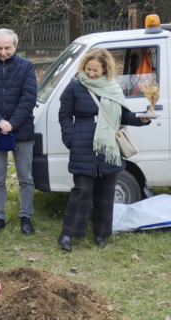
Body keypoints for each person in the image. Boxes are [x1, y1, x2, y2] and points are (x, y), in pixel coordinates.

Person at [57, 48, 151, 251]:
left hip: (109, 147)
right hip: (83, 145)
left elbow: (123, 117)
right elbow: (64, 115)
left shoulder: (113, 88)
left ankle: (101, 233)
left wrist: (141, 118)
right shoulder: (75, 87)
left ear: (105, 69)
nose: (91, 74)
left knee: (106, 191)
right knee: (81, 190)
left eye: (95, 70)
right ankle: (68, 234)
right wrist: (70, 139)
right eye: (88, 69)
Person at [0, 28, 37, 235]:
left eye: (7, 48)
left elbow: (29, 98)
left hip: (21, 131)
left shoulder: (27, 67)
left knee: (25, 177)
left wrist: (11, 123)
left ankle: (26, 216)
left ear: (15, 46)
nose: (3, 52)